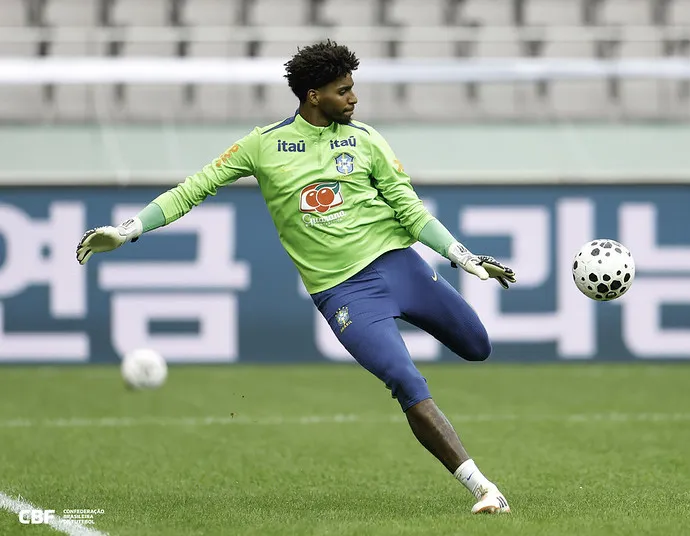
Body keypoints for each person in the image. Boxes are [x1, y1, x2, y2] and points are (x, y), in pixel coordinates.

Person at [76, 40, 515, 514]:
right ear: (313, 95)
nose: (353, 98)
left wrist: (459, 254)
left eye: (353, 89)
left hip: (400, 266)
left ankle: (480, 478)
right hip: (345, 293)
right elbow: (193, 190)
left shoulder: (366, 139)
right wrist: (129, 230)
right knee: (405, 381)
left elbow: (409, 209)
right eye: (343, 90)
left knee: (477, 346)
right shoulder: (262, 145)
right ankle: (483, 488)